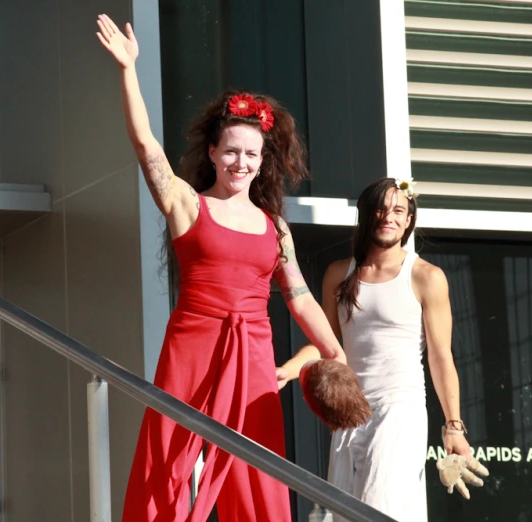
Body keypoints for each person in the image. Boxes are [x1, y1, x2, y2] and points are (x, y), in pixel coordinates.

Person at [95, 14, 347, 522]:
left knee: (257, 468)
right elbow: (146, 147)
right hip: (193, 343)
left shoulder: (275, 226)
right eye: (231, 150)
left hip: (252, 350)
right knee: (167, 457)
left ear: (263, 159)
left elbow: (298, 296)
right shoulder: (187, 204)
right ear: (212, 152)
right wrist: (128, 70)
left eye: (251, 153)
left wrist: (334, 352)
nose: (241, 162)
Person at [277, 177, 471, 522]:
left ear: (409, 219)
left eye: (399, 210)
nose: (389, 217)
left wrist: (453, 427)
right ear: (366, 216)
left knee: (378, 507)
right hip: (348, 411)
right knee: (342, 512)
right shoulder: (339, 275)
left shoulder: (426, 276)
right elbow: (326, 346)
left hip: (399, 410)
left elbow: (442, 358)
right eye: (381, 209)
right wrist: (285, 371)